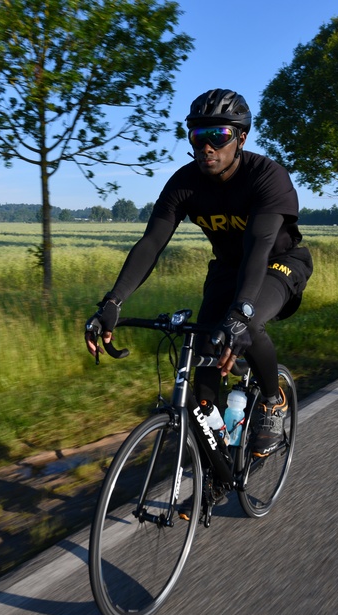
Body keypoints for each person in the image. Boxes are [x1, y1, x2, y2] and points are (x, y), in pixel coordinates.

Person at [84, 88, 312, 457]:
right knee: (202, 362)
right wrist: (112, 302)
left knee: (248, 324)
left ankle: (273, 402)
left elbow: (258, 248)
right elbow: (151, 244)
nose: (207, 146)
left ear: (240, 138)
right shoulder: (184, 183)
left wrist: (240, 314)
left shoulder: (267, 177)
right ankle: (214, 459)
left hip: (277, 264)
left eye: (218, 136)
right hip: (226, 270)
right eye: (197, 136)